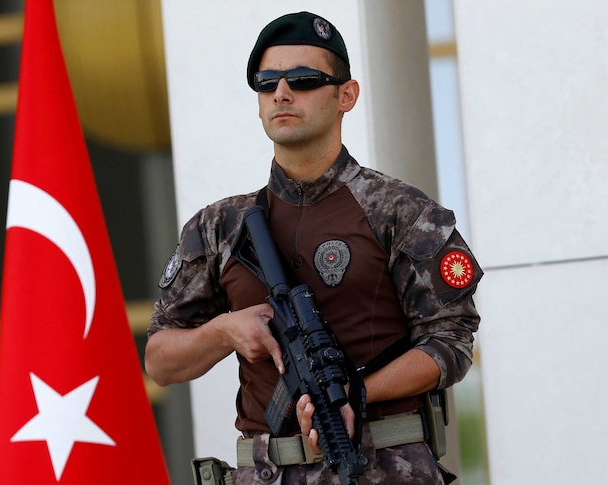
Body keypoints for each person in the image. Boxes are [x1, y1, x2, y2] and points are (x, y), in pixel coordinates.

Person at [146, 11, 482, 485]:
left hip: (382, 468)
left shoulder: (401, 212)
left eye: (303, 79)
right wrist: (224, 331)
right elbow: (160, 360)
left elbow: (452, 342)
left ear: (346, 95)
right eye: (267, 83)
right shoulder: (218, 226)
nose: (282, 93)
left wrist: (355, 393)